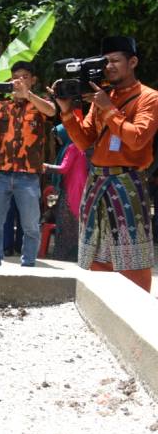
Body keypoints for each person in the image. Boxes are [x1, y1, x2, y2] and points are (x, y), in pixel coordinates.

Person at [56, 35, 158, 293]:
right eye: (105, 62)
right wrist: (66, 111)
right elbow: (83, 141)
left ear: (132, 61)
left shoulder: (149, 98)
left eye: (115, 61)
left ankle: (137, 307)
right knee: (96, 246)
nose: (109, 67)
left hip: (127, 180)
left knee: (131, 248)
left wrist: (109, 108)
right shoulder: (102, 97)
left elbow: (136, 139)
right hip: (97, 180)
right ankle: (100, 299)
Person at [0, 60, 57, 267]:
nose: (19, 81)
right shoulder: (3, 105)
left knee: (30, 224)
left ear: (32, 80)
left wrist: (28, 95)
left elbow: (51, 112)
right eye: (15, 77)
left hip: (28, 175)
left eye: (24, 77)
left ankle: (28, 264)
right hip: (1, 174)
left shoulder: (39, 103)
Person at [42, 124, 88, 262]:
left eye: (58, 137)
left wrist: (45, 166)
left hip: (72, 187)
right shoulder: (81, 146)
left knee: (66, 222)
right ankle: (76, 254)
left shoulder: (72, 147)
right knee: (75, 222)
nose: (57, 140)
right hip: (80, 186)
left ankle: (64, 255)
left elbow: (63, 169)